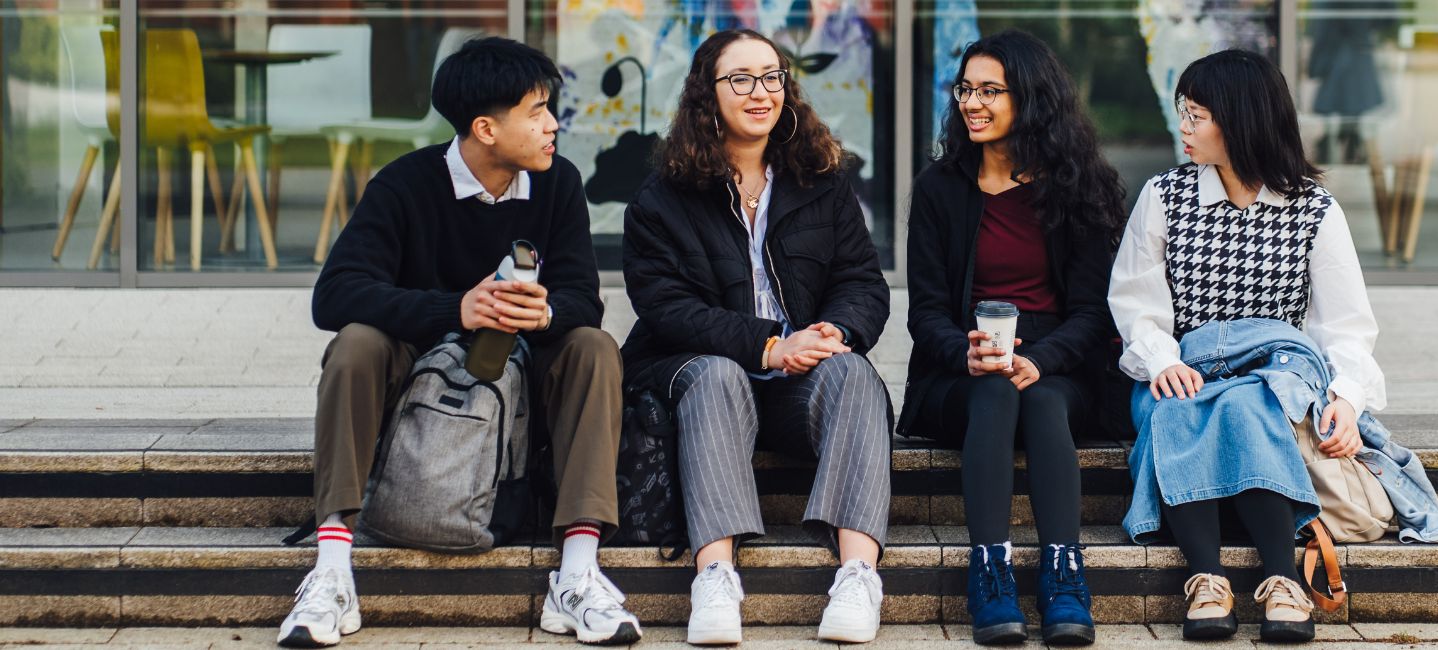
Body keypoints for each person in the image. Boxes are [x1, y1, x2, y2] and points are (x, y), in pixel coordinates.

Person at [284, 36, 641, 647]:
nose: (554, 125)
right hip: (420, 367)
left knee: (594, 347)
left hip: (522, 368)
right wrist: (456, 308)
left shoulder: (558, 184)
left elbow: (584, 298)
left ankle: (578, 572)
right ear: (486, 128)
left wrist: (543, 311)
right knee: (355, 343)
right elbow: (335, 295)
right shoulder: (404, 184)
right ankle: (333, 567)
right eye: (537, 111)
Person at [619, 28, 893, 646]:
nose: (760, 92)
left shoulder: (823, 179)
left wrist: (835, 329)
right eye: (740, 79)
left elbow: (862, 283)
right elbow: (667, 308)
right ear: (706, 94)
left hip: (797, 392)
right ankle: (715, 576)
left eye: (772, 77)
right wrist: (769, 345)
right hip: (700, 386)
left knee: (852, 372)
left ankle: (857, 574)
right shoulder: (663, 197)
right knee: (716, 371)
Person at [1107, 49, 1384, 643]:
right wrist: (1164, 360)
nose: (1183, 125)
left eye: (1197, 114)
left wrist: (1347, 400)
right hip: (1181, 371)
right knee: (1184, 403)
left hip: (1275, 378)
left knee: (1246, 402)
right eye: (1184, 111)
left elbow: (1347, 327)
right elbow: (1134, 304)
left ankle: (1279, 579)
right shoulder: (1164, 196)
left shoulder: (1313, 210)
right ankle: (1210, 578)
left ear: (1241, 119)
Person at [900, 29, 1123, 647]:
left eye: (990, 90)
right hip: (960, 372)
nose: (972, 102)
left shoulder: (1080, 186)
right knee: (996, 395)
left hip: (1060, 366)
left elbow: (1095, 311)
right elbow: (925, 312)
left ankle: (1063, 572)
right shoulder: (941, 188)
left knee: (1044, 397)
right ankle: (990, 569)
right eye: (966, 89)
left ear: (1031, 98)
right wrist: (962, 352)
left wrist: (1041, 359)